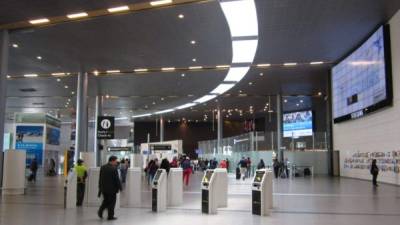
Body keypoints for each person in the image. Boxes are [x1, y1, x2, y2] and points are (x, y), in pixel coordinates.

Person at [98, 156, 122, 221]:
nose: (116, 162)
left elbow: (100, 178)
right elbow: (117, 180)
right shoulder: (114, 169)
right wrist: (120, 187)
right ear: (112, 161)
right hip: (112, 190)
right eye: (115, 161)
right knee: (112, 203)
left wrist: (100, 187)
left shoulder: (103, 167)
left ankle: (100, 211)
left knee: (105, 201)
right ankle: (110, 216)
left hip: (104, 189)